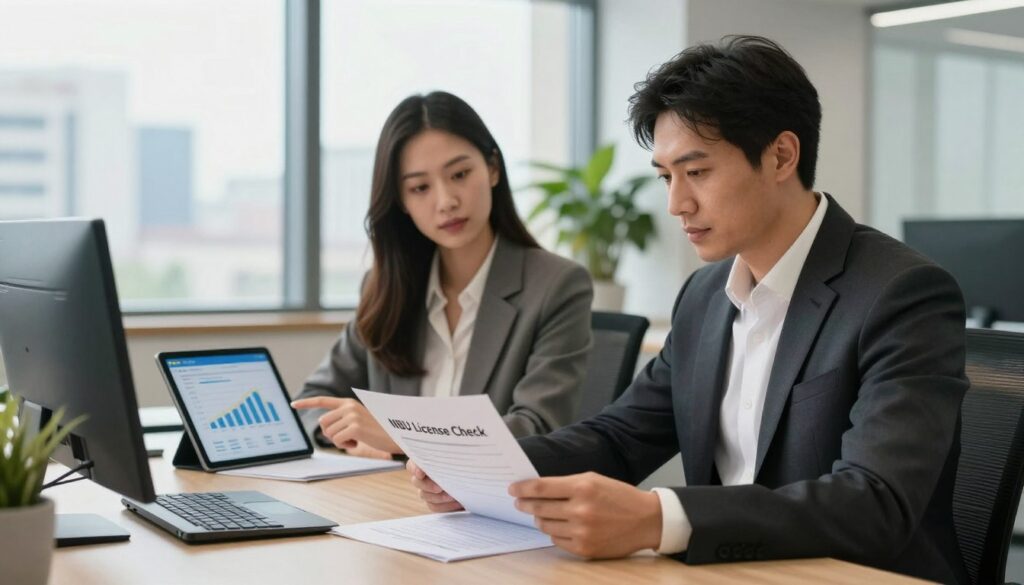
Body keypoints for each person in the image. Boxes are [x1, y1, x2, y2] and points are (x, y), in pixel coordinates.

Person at [409, 36, 968, 584]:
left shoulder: (901, 294)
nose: (677, 204)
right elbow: (621, 437)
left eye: (696, 172)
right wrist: (480, 468)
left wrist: (659, 518)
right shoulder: (704, 296)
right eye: (666, 177)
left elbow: (875, 502)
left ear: (781, 155)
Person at [292, 91, 593, 460]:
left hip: (495, 508)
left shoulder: (557, 286)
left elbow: (536, 429)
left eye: (460, 174)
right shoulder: (386, 286)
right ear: (402, 201)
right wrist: (358, 441)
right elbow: (312, 403)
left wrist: (401, 438)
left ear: (493, 169)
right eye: (420, 187)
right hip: (392, 501)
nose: (446, 200)